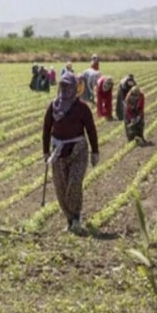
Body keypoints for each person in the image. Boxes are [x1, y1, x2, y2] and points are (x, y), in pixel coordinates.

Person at [42, 73, 100, 233]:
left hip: (78, 150)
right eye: (63, 86)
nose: (66, 89)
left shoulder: (82, 108)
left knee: (74, 183)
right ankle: (69, 219)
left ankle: (76, 218)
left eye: (69, 86)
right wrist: (45, 151)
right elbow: (47, 129)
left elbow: (91, 129)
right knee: (61, 187)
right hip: (58, 152)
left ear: (75, 88)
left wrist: (95, 151)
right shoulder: (53, 106)